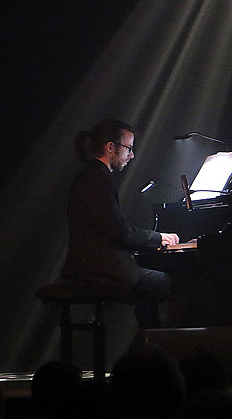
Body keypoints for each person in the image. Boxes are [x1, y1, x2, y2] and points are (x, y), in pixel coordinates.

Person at [63, 119, 179, 329]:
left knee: (150, 285)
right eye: (128, 148)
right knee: (163, 282)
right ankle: (153, 346)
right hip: (94, 269)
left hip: (88, 265)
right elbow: (118, 231)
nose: (131, 155)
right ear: (110, 148)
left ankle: (148, 345)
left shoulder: (94, 176)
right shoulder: (98, 179)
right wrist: (158, 238)